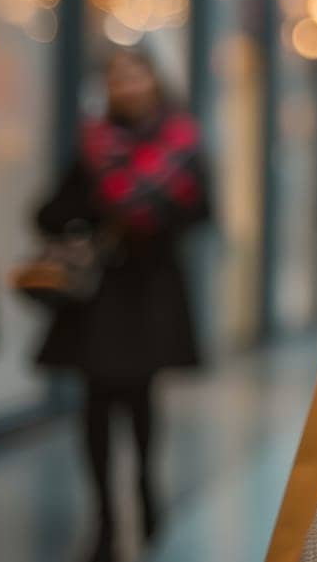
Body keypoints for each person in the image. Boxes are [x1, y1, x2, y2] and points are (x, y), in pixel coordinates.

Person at [34, 47, 210, 562]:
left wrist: (155, 210)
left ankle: (146, 490)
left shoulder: (180, 143)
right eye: (117, 77)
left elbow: (204, 211)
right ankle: (106, 517)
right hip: (101, 297)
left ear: (155, 82)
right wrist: (95, 206)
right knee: (96, 404)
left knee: (140, 399)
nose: (128, 86)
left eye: (136, 75)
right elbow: (47, 213)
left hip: (150, 292)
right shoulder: (94, 145)